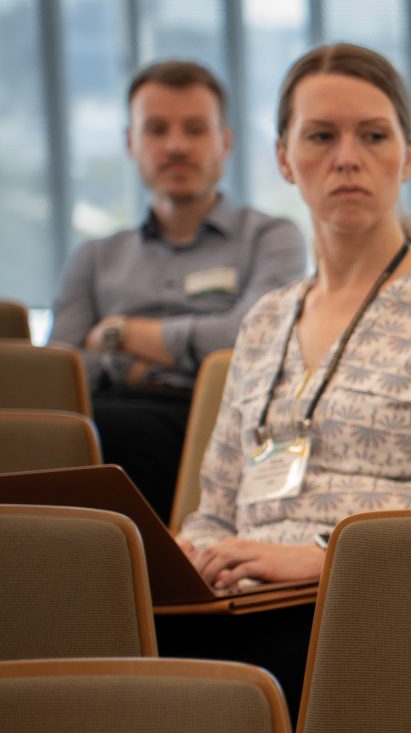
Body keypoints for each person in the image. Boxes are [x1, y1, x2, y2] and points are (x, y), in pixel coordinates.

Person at [176, 44, 411, 694]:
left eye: (373, 135)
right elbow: (217, 508)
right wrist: (192, 553)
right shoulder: (265, 322)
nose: (347, 158)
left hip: (367, 610)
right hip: (238, 607)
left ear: (410, 154)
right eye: (320, 136)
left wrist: (318, 559)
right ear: (283, 158)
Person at [48, 60, 307, 518]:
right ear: (131, 142)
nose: (175, 146)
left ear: (224, 141)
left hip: (213, 419)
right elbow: (60, 376)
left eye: (194, 129)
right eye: (157, 130)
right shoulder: (93, 257)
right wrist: (163, 360)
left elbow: (251, 340)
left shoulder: (272, 238)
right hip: (106, 415)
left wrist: (118, 332)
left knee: (104, 438)